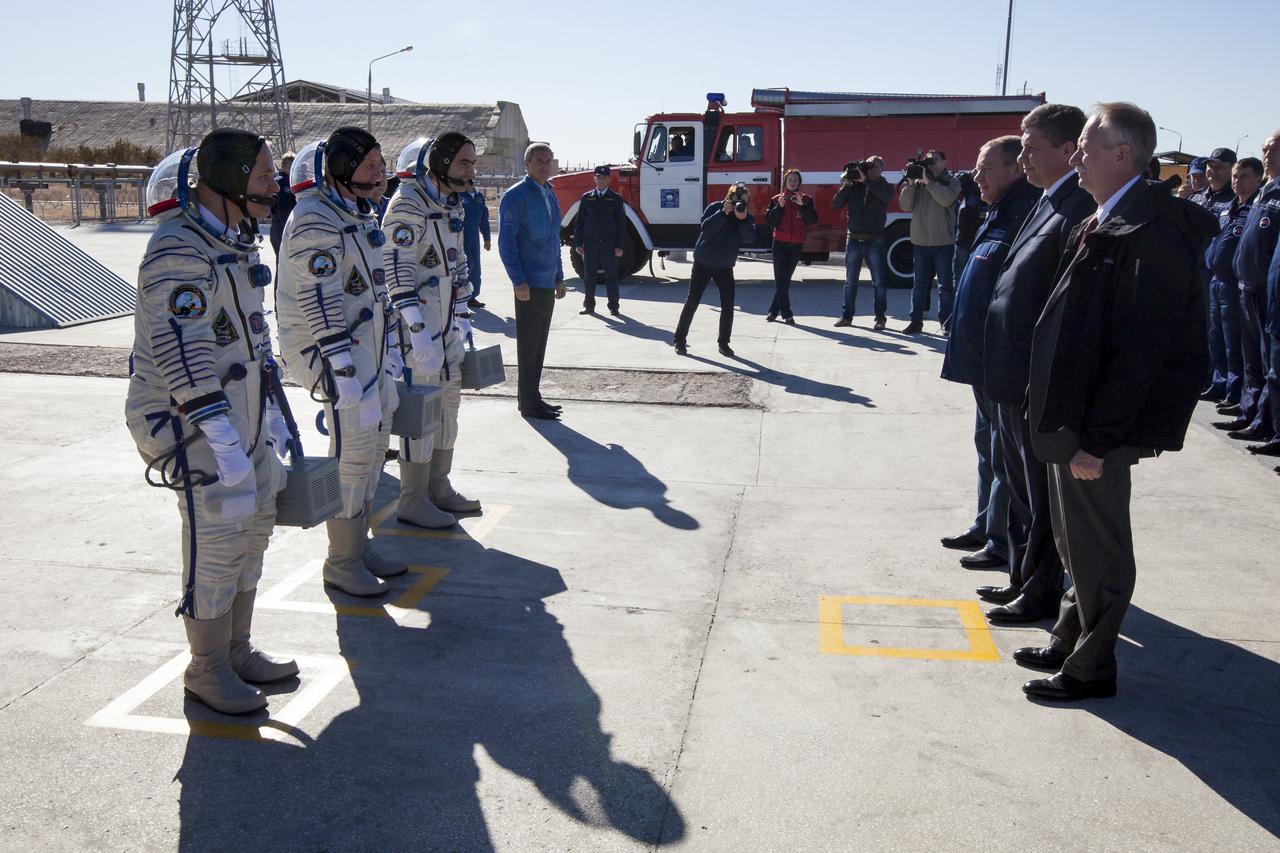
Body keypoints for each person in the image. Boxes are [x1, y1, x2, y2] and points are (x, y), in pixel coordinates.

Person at [1019, 103, 1217, 702]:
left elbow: (1140, 351)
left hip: (1097, 426)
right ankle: (1070, 634)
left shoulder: (1150, 230)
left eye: (1086, 145)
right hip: (1073, 417)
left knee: (1099, 543)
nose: (1076, 156)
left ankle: (1091, 667)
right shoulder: (1107, 218)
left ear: (1123, 155)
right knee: (1072, 535)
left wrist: (1099, 439)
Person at [126, 129, 297, 714]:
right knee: (219, 536)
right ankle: (206, 669)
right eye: (263, 177)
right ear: (226, 182)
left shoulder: (233, 241)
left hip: (241, 413)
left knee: (257, 524)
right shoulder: (179, 248)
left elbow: (251, 332)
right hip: (190, 423)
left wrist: (271, 409)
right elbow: (182, 351)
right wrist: (221, 437)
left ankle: (237, 649)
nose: (274, 186)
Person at [276, 127, 403, 598]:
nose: (380, 173)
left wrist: (389, 342)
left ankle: (359, 540)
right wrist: (341, 366)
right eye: (371, 165)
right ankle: (341, 561)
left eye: (380, 163)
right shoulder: (314, 217)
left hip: (362, 346)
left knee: (374, 443)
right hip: (329, 351)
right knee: (352, 451)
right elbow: (319, 295)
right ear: (344, 169)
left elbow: (375, 285)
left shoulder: (356, 212)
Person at [979, 103, 1092, 622]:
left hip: (1031, 378)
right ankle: (1023, 577)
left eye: (1031, 147)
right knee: (1021, 486)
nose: (1022, 156)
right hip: (1008, 373)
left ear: (1068, 151)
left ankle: (1040, 589)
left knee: (1042, 497)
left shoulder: (1074, 208)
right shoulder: (1049, 201)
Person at [939, 136, 1037, 578]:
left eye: (985, 168)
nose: (976, 176)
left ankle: (1001, 541)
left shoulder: (1025, 215)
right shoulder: (997, 210)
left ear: (1015, 169)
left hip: (1000, 359)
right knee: (986, 446)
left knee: (1003, 453)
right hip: (980, 355)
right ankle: (986, 526)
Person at [382, 132, 483, 527]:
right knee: (422, 414)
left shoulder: (449, 206)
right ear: (439, 164)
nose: (470, 171)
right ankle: (412, 497)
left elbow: (456, 265)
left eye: (472, 163)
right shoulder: (407, 206)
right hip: (417, 332)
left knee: (448, 408)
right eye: (464, 163)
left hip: (445, 327)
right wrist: (417, 330)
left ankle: (438, 485)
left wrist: (461, 313)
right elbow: (396, 274)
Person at [1222, 130, 1280, 451]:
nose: (1267, 152)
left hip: (1266, 291)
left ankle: (1267, 423)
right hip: (1246, 286)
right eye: (1265, 148)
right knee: (1251, 359)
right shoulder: (1264, 192)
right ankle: (1251, 412)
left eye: (1274, 148)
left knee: (1270, 362)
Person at [499, 142, 566, 420]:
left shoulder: (549, 194)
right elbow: (507, 242)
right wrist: (518, 280)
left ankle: (533, 397)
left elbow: (554, 240)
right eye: (538, 160)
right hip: (528, 283)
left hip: (546, 281)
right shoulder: (516, 196)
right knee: (528, 345)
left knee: (539, 345)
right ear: (526, 164)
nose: (544, 165)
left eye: (548, 160)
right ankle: (528, 402)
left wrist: (559, 277)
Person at [672, 183, 757, 357]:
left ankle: (724, 343)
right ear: (729, 197)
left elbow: (749, 239)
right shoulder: (715, 208)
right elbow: (706, 229)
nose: (738, 204)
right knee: (692, 301)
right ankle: (680, 340)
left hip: (725, 266)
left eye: (743, 201)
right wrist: (723, 214)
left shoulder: (745, 216)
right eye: (736, 200)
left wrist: (742, 220)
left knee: (728, 305)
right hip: (703, 262)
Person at [1204, 158, 1262, 410]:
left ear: (1258, 179)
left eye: (1244, 176)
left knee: (1233, 341)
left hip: (1234, 282)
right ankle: (1219, 383)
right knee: (1216, 336)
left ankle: (1235, 390)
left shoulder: (1256, 207)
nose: (1238, 181)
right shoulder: (1230, 206)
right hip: (1215, 280)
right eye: (1236, 176)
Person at [899, 149, 961, 334]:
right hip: (920, 242)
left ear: (944, 161)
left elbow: (946, 199)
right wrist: (910, 184)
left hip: (943, 242)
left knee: (945, 287)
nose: (932, 162)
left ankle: (947, 324)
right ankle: (915, 322)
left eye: (935, 159)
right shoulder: (918, 183)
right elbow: (905, 206)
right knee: (919, 286)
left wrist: (929, 182)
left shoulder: (952, 182)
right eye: (929, 159)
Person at [832, 156, 892, 328]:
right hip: (854, 239)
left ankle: (880, 318)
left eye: (875, 166)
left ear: (881, 169)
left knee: (879, 282)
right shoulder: (855, 186)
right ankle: (846, 316)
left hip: (875, 240)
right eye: (869, 166)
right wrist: (846, 185)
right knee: (850, 281)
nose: (872, 169)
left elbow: (885, 197)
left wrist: (866, 181)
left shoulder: (885, 186)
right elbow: (836, 204)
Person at [574, 165, 628, 317]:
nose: (600, 180)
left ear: (609, 179)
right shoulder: (587, 198)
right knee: (589, 276)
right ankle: (589, 306)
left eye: (603, 177)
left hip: (609, 245)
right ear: (594, 178)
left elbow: (622, 225)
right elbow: (580, 222)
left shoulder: (616, 199)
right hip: (590, 244)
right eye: (598, 177)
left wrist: (619, 246)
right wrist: (578, 243)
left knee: (611, 276)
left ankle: (614, 306)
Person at [764, 169, 817, 324]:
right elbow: (770, 221)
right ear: (785, 182)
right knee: (781, 278)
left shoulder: (806, 199)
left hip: (796, 244)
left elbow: (812, 220)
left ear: (799, 183)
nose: (793, 182)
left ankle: (773, 311)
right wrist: (779, 207)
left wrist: (802, 206)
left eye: (795, 180)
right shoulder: (776, 199)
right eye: (790, 180)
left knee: (785, 279)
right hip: (779, 243)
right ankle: (787, 313)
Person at [953, 168, 988, 289]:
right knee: (960, 278)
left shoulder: (992, 185)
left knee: (979, 277)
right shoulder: (970, 183)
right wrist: (970, 174)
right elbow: (954, 183)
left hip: (982, 240)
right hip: (964, 239)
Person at [460, 179, 491, 309]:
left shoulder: (479, 197)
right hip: (461, 236)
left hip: (474, 236)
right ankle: (461, 296)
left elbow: (484, 220)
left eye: (466, 183)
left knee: (476, 267)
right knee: (467, 265)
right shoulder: (459, 196)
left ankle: (472, 297)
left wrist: (487, 239)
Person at [268, 150, 296, 257]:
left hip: (280, 228)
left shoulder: (293, 180)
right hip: (282, 227)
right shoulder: (281, 181)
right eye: (290, 167)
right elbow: (283, 210)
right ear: (283, 167)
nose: (292, 170)